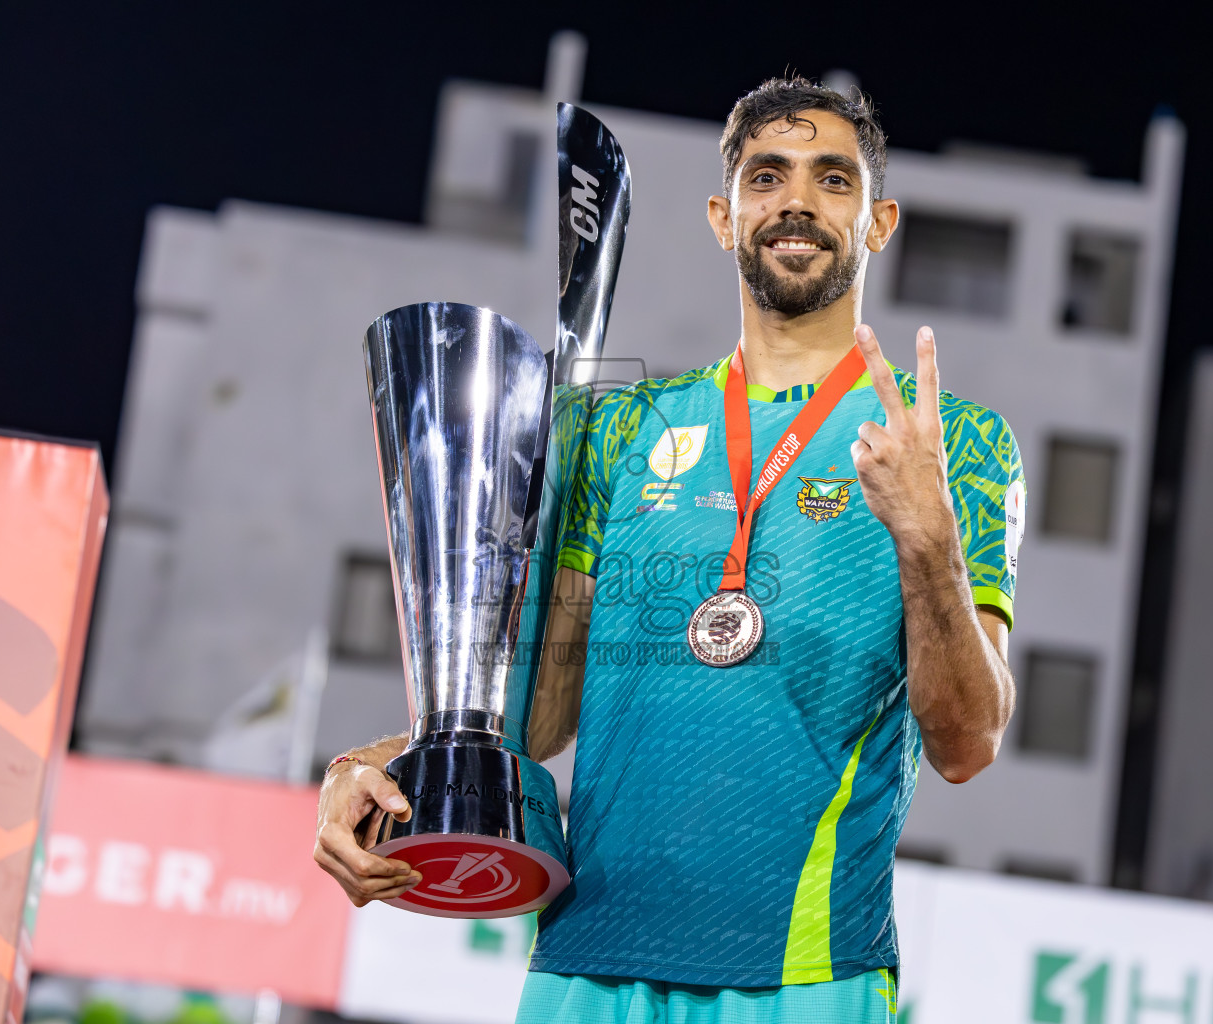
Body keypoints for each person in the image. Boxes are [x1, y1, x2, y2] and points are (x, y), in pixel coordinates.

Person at [313, 76, 1024, 1024]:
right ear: (724, 218)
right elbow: (536, 721)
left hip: (807, 976)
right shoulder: (620, 431)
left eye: (833, 180)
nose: (797, 202)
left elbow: (968, 743)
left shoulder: (953, 444)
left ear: (880, 220)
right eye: (767, 177)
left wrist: (929, 541)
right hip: (586, 967)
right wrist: (367, 772)